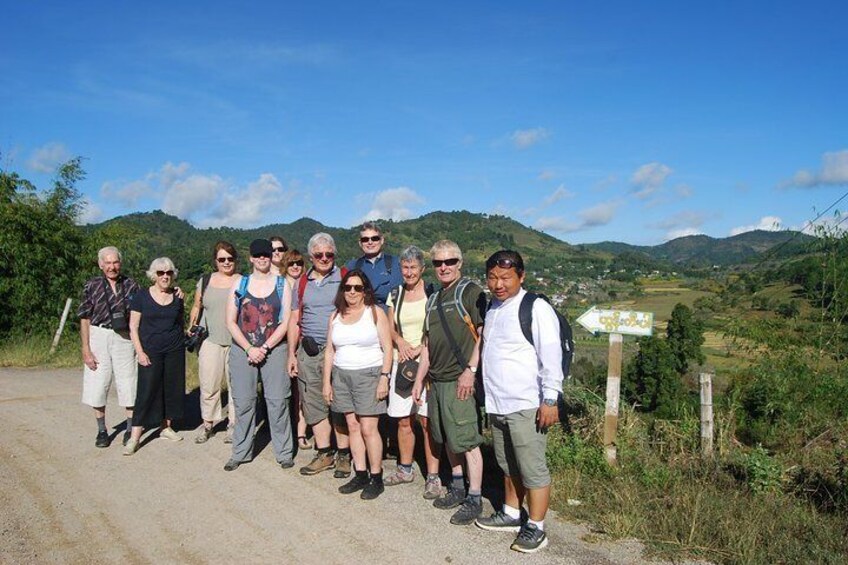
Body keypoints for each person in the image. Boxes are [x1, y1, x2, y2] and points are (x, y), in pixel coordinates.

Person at [475, 250, 563, 553]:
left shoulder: (535, 307)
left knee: (532, 467)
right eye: (492, 277)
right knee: (507, 463)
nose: (498, 284)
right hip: (498, 402)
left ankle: (536, 526)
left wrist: (550, 399)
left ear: (521, 276)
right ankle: (512, 513)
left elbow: (552, 355)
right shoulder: (494, 307)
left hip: (526, 402)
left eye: (505, 278)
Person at [412, 240, 487, 526]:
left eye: (450, 261)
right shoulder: (433, 300)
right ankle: (457, 486)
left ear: (460, 263)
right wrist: (420, 379)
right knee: (447, 437)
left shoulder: (469, 292)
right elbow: (427, 346)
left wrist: (471, 370)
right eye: (438, 263)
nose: (444, 267)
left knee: (467, 440)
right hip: (438, 381)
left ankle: (475, 497)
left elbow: (482, 335)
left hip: (460, 380)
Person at [223, 239, 293, 471]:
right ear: (251, 258)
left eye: (267, 254)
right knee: (243, 403)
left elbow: (285, 323)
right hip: (243, 350)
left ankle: (283, 453)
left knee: (278, 402)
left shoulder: (282, 285)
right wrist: (249, 348)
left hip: (274, 350)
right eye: (258, 255)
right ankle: (240, 452)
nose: (263, 258)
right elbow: (230, 322)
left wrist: (264, 348)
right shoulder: (239, 284)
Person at [322, 270, 393, 499]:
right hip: (341, 376)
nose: (352, 291)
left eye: (357, 287)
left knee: (368, 428)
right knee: (352, 426)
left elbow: (388, 348)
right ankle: (360, 473)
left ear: (365, 291)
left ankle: (376, 477)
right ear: (342, 290)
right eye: (348, 287)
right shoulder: (335, 316)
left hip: (369, 374)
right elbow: (329, 352)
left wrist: (384, 376)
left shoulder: (374, 313)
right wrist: (327, 383)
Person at [288, 233, 351, 477]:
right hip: (309, 351)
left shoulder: (345, 277)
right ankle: (325, 453)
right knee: (313, 403)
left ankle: (344, 455)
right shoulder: (301, 283)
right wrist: (291, 354)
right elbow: (295, 318)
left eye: (329, 254)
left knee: (339, 402)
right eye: (319, 255)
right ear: (310, 256)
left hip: (338, 351)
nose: (324, 258)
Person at [383, 246, 441, 499]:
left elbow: (438, 329)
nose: (408, 272)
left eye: (413, 267)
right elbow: (389, 327)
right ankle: (405, 469)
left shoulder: (432, 294)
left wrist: (421, 348)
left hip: (426, 363)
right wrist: (401, 342)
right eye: (404, 267)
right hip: (402, 363)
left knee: (427, 422)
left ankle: (433, 476)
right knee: (403, 420)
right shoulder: (394, 295)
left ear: (422, 269)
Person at [124, 257, 186, 455]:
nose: (165, 276)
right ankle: (135, 436)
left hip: (174, 349)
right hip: (150, 351)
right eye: (160, 273)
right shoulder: (141, 296)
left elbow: (179, 323)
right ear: (153, 275)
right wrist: (140, 352)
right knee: (146, 391)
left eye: (169, 272)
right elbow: (133, 327)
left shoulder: (178, 297)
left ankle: (165, 427)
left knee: (171, 389)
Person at [79, 246, 139, 448]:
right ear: (100, 264)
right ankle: (102, 430)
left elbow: (141, 312)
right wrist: (86, 348)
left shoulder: (131, 285)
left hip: (125, 337)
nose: (112, 267)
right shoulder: (92, 285)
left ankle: (130, 428)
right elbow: (85, 318)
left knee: (129, 381)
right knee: (98, 382)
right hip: (99, 335)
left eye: (115, 262)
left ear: (120, 263)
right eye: (108, 263)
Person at [188, 241, 242, 444]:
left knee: (236, 386)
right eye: (222, 259)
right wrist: (191, 325)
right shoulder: (205, 281)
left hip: (236, 341)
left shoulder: (243, 281)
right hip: (210, 339)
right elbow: (196, 306)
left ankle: (234, 425)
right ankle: (208, 423)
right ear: (215, 261)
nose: (226, 262)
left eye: (230, 258)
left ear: (235, 260)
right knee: (209, 384)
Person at [284, 249, 311, 450]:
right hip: (280, 344)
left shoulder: (307, 284)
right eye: (291, 263)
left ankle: (301, 432)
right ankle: (287, 429)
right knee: (285, 392)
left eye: (299, 263)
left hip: (302, 343)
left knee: (302, 392)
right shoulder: (279, 285)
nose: (295, 266)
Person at [345, 221, 402, 307]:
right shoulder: (352, 266)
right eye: (365, 239)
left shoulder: (395, 263)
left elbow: (396, 295)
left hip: (388, 316)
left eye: (374, 238)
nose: (370, 242)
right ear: (360, 243)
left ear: (382, 240)